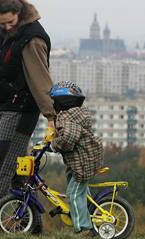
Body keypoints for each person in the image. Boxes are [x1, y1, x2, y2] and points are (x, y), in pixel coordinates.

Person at [0, 0, 56, 231]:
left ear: (19, 13)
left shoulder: (32, 39)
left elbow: (41, 81)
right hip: (8, 106)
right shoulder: (4, 32)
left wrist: (52, 117)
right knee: (18, 168)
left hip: (22, 110)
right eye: (1, 23)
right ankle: (30, 226)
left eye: (10, 22)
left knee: (1, 164)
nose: (6, 27)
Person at [49, 81, 104, 235]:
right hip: (83, 160)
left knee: (73, 193)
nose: (54, 105)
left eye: (54, 101)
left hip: (83, 163)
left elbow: (67, 139)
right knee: (79, 189)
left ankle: (83, 229)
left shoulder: (67, 118)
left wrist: (53, 146)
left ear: (62, 102)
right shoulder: (75, 116)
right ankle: (87, 212)